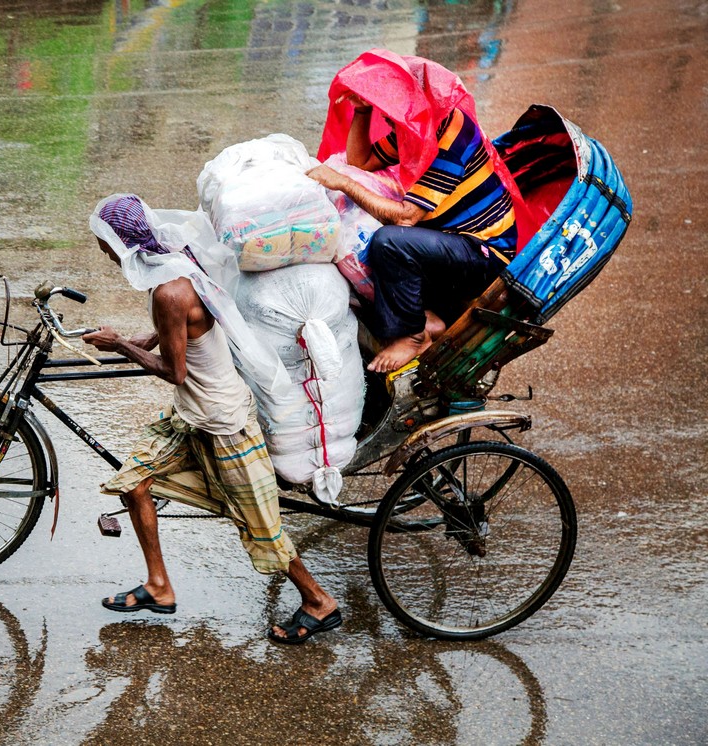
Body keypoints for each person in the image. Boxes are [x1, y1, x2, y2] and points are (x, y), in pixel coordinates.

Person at [82, 195, 340, 644]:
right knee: (134, 483)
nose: (103, 250)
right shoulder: (176, 265)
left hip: (224, 423)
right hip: (190, 414)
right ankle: (158, 587)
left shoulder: (167, 291)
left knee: (261, 526)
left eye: (105, 242)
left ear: (122, 242)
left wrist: (121, 345)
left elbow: (174, 370)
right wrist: (136, 337)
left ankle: (319, 601)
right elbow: (182, 329)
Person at [307, 82, 519, 374]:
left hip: (483, 253)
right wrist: (362, 111)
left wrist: (343, 182)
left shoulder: (451, 135)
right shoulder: (414, 131)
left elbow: (406, 217)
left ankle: (412, 335)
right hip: (448, 241)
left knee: (389, 242)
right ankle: (426, 318)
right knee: (367, 246)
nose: (388, 119)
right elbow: (362, 162)